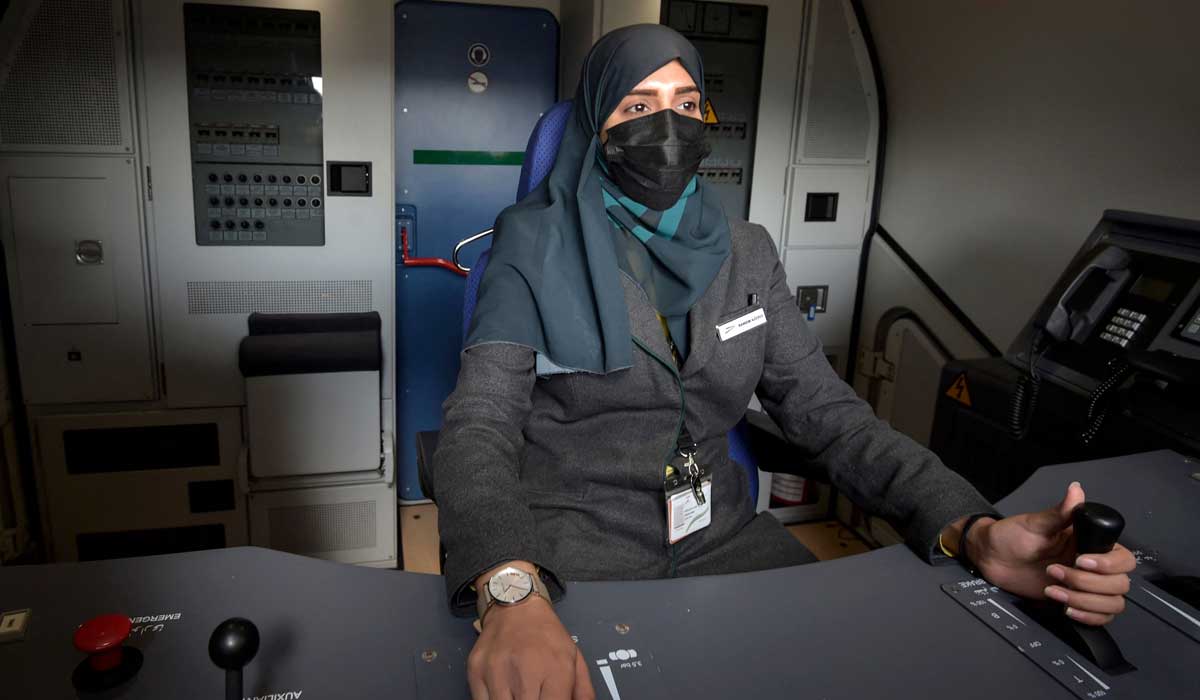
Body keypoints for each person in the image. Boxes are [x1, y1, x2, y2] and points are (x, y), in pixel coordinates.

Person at [430, 24, 1136, 700]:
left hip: (725, 540)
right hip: (574, 552)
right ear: (593, 125)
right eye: (638, 107)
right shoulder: (527, 248)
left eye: (685, 104)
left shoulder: (747, 251)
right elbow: (479, 425)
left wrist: (972, 528)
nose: (667, 127)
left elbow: (830, 416)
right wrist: (510, 585)